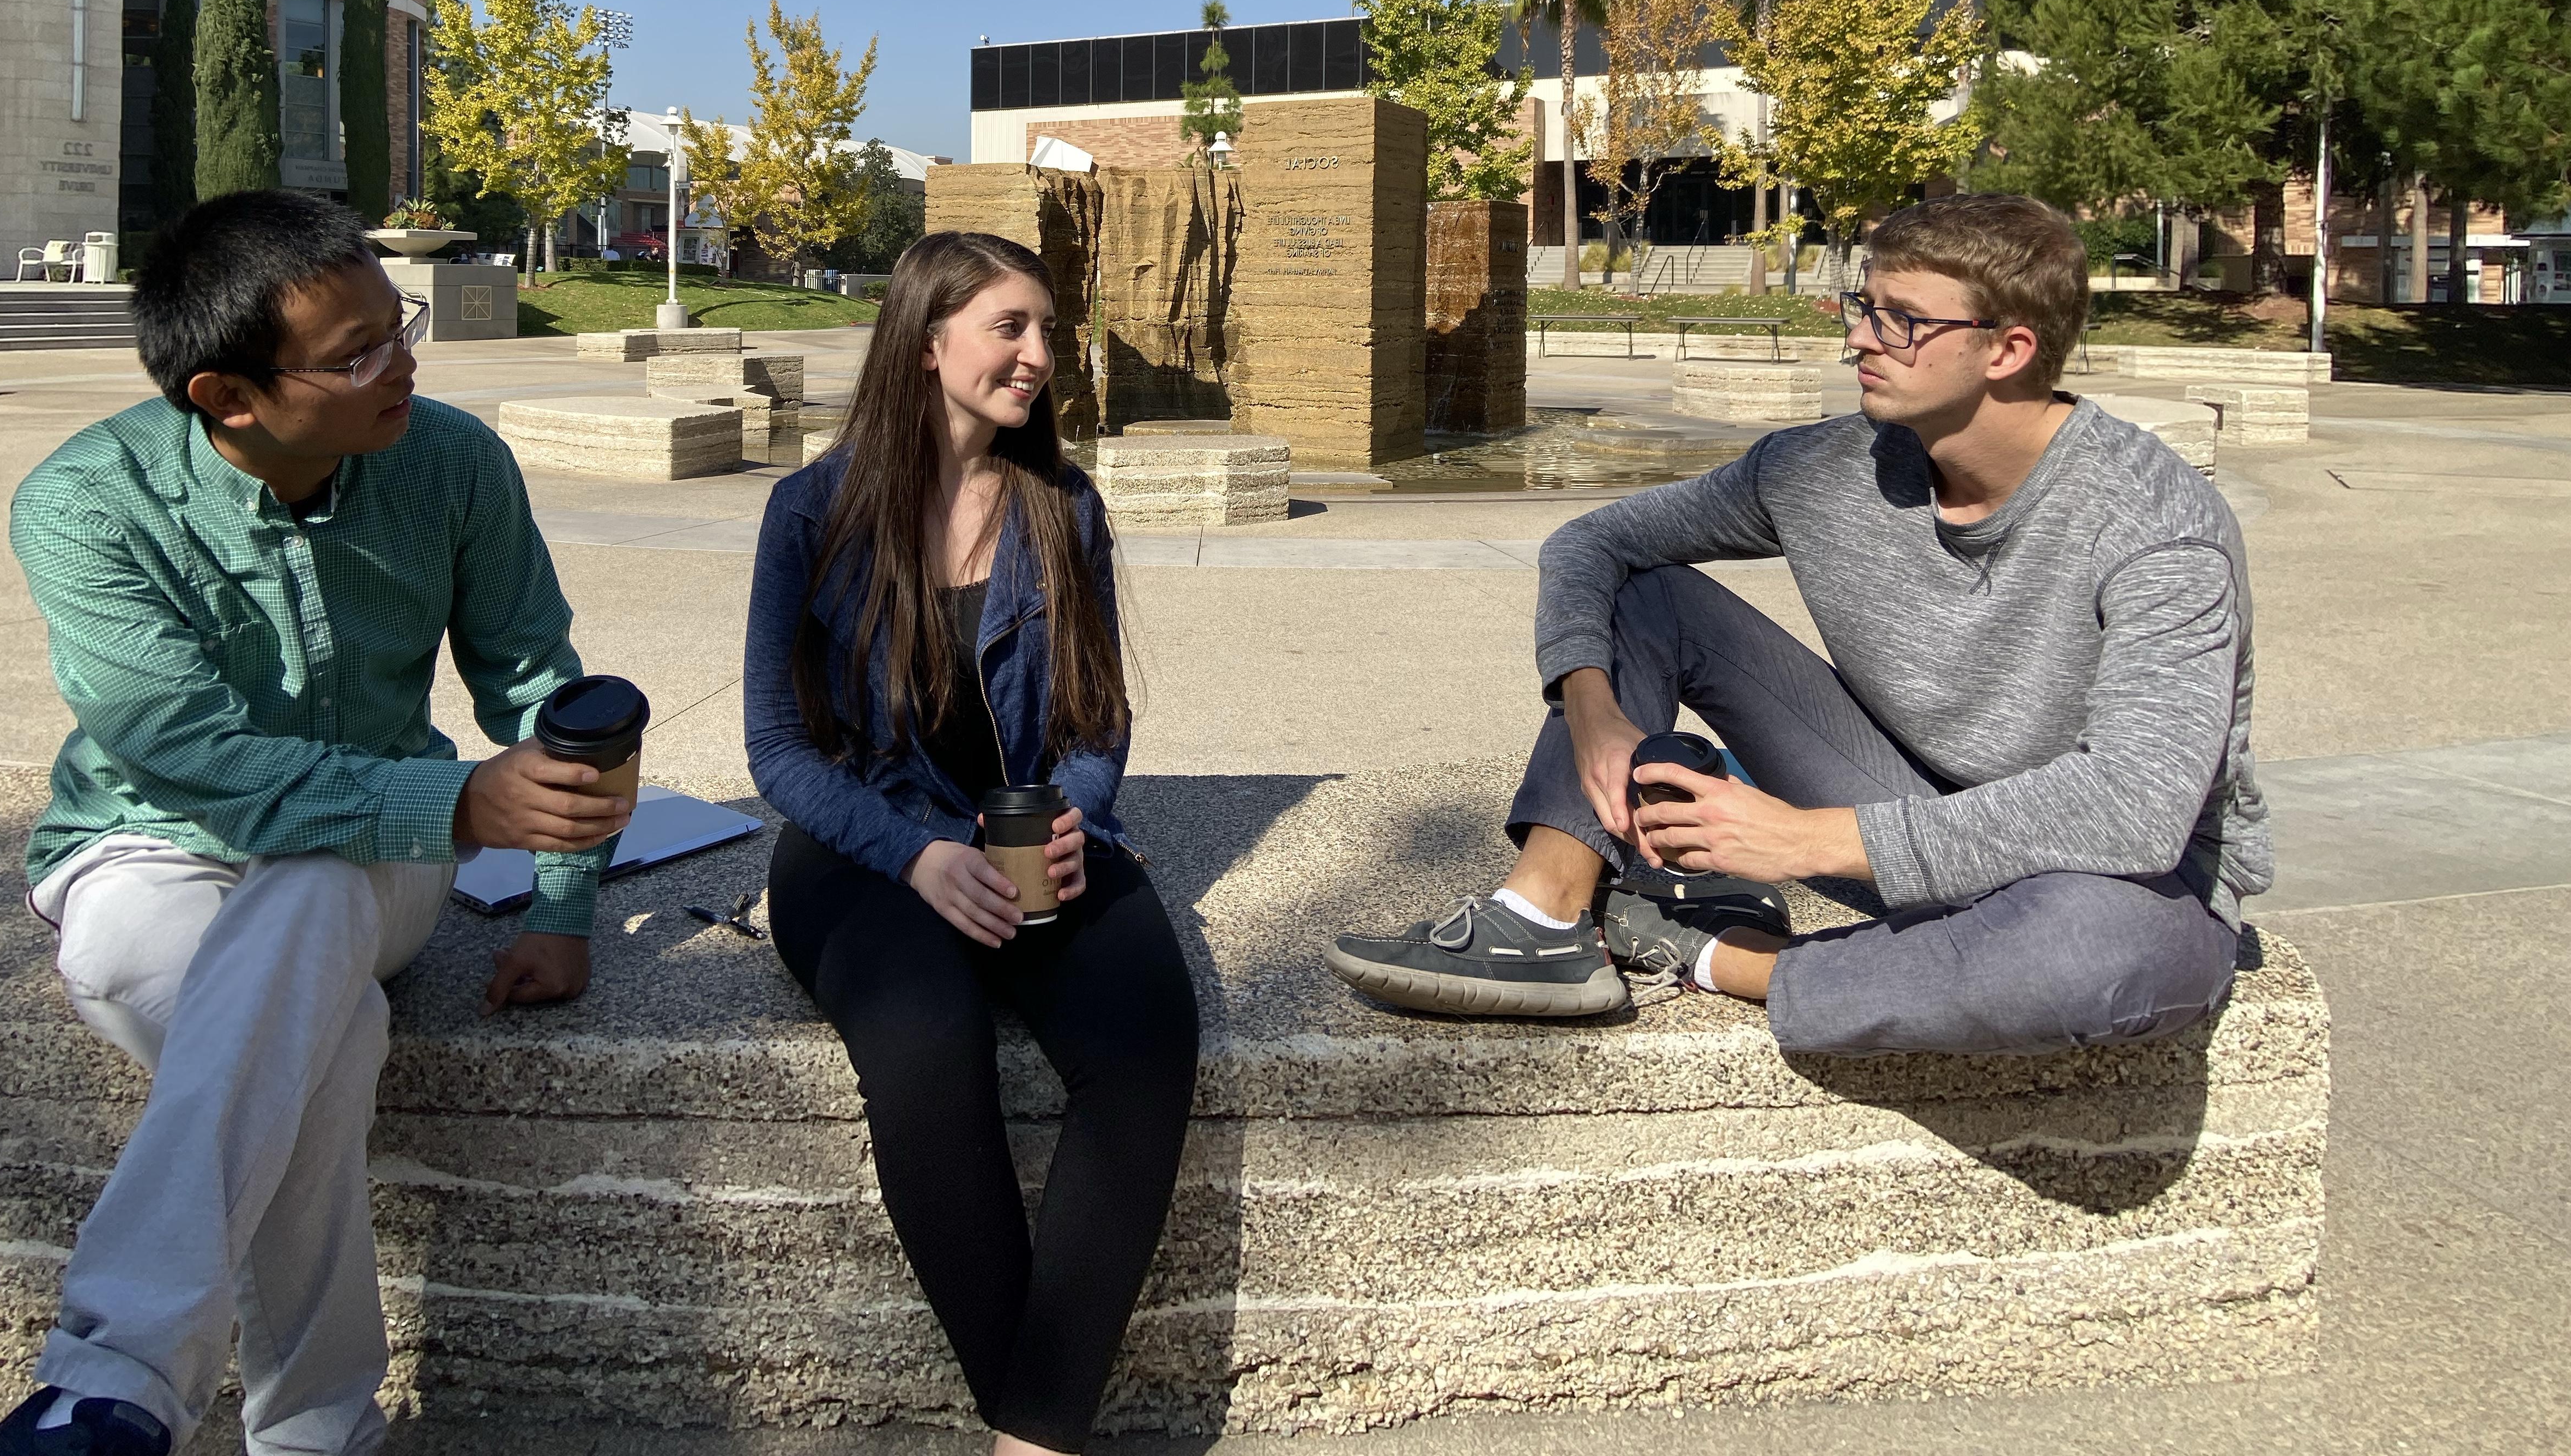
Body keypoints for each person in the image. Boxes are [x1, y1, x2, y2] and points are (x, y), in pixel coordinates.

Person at [0, 192, 630, 1456]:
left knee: (323, 882)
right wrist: (455, 802)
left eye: (401, 325)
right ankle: (321, 1433)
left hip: (372, 859)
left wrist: (564, 909)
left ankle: (112, 1379)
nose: (406, 364)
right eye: (359, 354)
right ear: (227, 396)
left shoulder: (451, 463)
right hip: (150, 840)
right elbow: (192, 756)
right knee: (302, 1036)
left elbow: (542, 693)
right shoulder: (84, 507)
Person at [1328, 193, 2268, 1055]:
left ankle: (1709, 947)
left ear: (2008, 350)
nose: (1860, 338)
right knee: (1649, 592)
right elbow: (1593, 542)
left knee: (2086, 962)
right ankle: (1542, 918)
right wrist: (1591, 707)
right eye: (1863, 306)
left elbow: (2133, 809)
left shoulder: (2158, 525)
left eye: (1900, 320)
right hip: (1901, 804)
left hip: (2122, 876)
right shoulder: (1819, 470)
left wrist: (1800, 841)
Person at [745, 231, 1199, 1456]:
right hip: (864, 850)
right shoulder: (811, 512)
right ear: (928, 337)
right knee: (930, 1048)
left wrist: (1077, 818)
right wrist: (912, 857)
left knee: (1149, 1045)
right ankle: (1036, 1412)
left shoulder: (1064, 506)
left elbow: (1097, 722)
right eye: (1011, 328)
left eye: (1046, 330)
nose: (1040, 356)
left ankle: (1028, 1435)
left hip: (1033, 841)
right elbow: (777, 753)